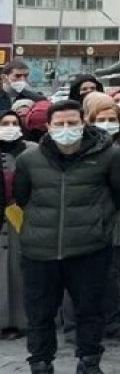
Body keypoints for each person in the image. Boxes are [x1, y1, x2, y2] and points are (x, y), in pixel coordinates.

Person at [14, 100, 120, 374]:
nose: (66, 129)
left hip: (89, 249)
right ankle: (41, 362)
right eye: (59, 124)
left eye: (72, 123)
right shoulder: (29, 160)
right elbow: (22, 197)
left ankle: (89, 361)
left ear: (83, 123)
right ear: (48, 127)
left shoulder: (110, 155)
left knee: (90, 310)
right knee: (40, 314)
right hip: (39, 251)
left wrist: (97, 219)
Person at [0, 110, 34, 339]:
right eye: (5, 123)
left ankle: (20, 321)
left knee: (18, 271)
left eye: (14, 123)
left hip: (23, 217)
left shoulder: (31, 151)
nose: (10, 127)